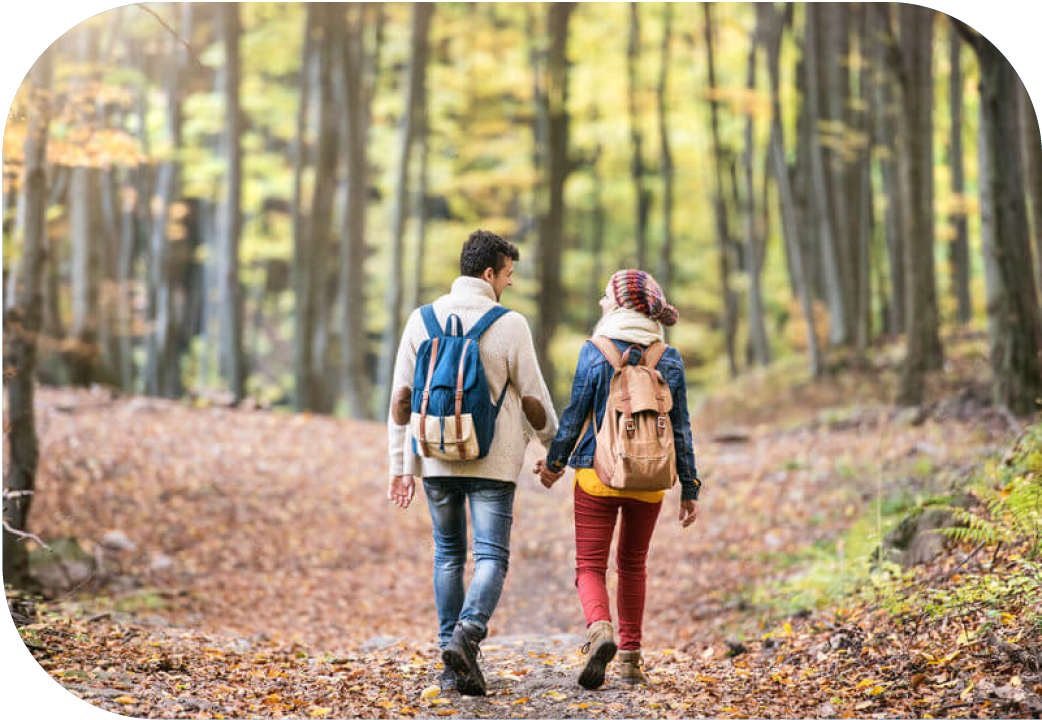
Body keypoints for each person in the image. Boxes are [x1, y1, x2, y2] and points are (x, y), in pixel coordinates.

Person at [386, 230, 558, 696]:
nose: (509, 284)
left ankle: (449, 659)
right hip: (493, 461)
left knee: (447, 554)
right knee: (491, 557)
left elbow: (401, 400)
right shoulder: (510, 324)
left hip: (435, 456)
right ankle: (468, 634)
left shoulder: (421, 320)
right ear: (489, 274)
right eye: (507, 275)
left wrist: (402, 467)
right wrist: (553, 451)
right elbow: (534, 398)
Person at [535, 269, 700, 689]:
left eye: (606, 296)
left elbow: (573, 417)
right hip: (650, 479)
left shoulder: (596, 350)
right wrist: (689, 486)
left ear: (621, 304)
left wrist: (554, 465)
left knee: (590, 564)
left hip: (597, 473)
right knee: (633, 565)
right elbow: (680, 426)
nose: (601, 303)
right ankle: (630, 658)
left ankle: (599, 629)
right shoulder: (669, 357)